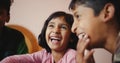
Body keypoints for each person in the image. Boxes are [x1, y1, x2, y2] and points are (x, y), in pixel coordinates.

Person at [0, 11, 78, 63]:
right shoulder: (44, 54)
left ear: (71, 37)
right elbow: (14, 59)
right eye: (51, 26)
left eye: (63, 27)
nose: (56, 31)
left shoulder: (73, 56)